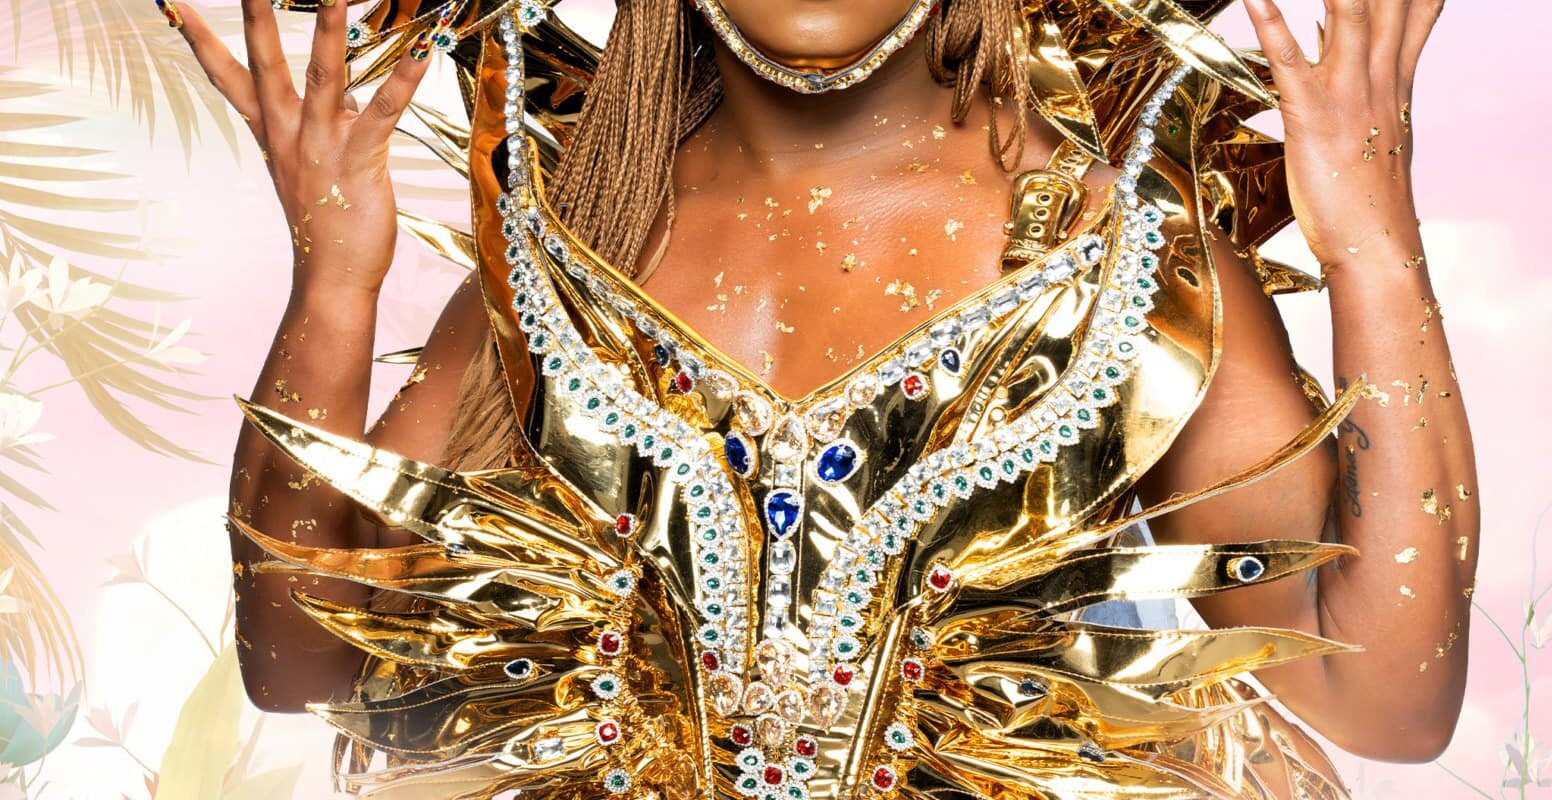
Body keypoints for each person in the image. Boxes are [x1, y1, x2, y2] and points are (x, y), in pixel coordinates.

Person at [169, 0, 1476, 796]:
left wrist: (1373, 251)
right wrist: (333, 283)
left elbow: (1385, 704)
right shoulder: (563, 268)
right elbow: (300, 662)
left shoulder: (1126, 265)